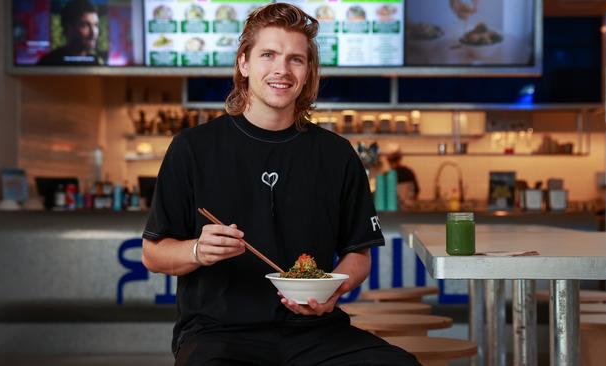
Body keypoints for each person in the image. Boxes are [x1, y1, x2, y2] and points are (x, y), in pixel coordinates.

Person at [142, 3, 421, 366]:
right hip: (219, 334)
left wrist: (336, 288)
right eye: (268, 54)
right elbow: (153, 253)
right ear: (244, 63)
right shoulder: (192, 148)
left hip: (317, 332)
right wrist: (197, 251)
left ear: (307, 72)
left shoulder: (337, 155)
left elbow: (359, 255)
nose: (281, 70)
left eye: (295, 59)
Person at [37, 0, 104, 65]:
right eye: (84, 25)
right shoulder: (49, 62)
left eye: (96, 25)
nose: (93, 32)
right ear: (68, 28)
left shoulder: (95, 62)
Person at [386, 146, 420, 211]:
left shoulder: (388, 176)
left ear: (388, 160)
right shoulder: (408, 172)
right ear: (400, 158)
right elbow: (416, 192)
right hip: (408, 211)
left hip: (394, 212)